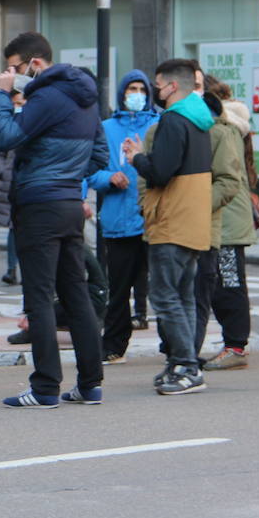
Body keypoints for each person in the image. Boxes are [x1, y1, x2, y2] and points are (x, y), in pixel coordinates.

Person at [0, 33, 107, 408]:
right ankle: (90, 384)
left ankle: (44, 387)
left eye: (15, 67)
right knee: (75, 294)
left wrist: (1, 95)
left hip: (39, 205)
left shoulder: (46, 96)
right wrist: (67, 176)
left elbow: (5, 136)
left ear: (35, 64)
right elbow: (101, 155)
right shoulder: (86, 98)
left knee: (39, 298)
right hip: (69, 203)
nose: (12, 74)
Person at [124, 58, 214, 396]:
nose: (156, 92)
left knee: (163, 294)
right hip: (193, 218)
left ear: (173, 86)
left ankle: (187, 366)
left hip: (172, 218)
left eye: (158, 85)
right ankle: (181, 361)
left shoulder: (174, 121)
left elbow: (161, 171)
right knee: (183, 294)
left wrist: (136, 157)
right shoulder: (200, 121)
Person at [88, 70, 160, 363]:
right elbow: (90, 170)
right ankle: (113, 345)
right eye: (131, 88)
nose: (137, 94)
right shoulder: (105, 128)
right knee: (118, 290)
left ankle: (172, 347)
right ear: (121, 93)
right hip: (119, 221)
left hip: (155, 220)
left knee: (163, 288)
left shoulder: (160, 124)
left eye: (142, 89)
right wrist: (109, 178)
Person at [197, 76, 258, 371]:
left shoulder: (223, 126)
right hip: (223, 217)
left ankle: (236, 346)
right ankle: (233, 344)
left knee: (229, 284)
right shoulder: (229, 122)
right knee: (221, 283)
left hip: (228, 219)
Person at [0, 89, 24, 289]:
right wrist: (3, 171)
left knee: (23, 227)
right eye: (16, 102)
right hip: (10, 181)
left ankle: (23, 268)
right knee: (12, 228)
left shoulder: (31, 120)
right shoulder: (8, 124)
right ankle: (11, 268)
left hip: (25, 180)